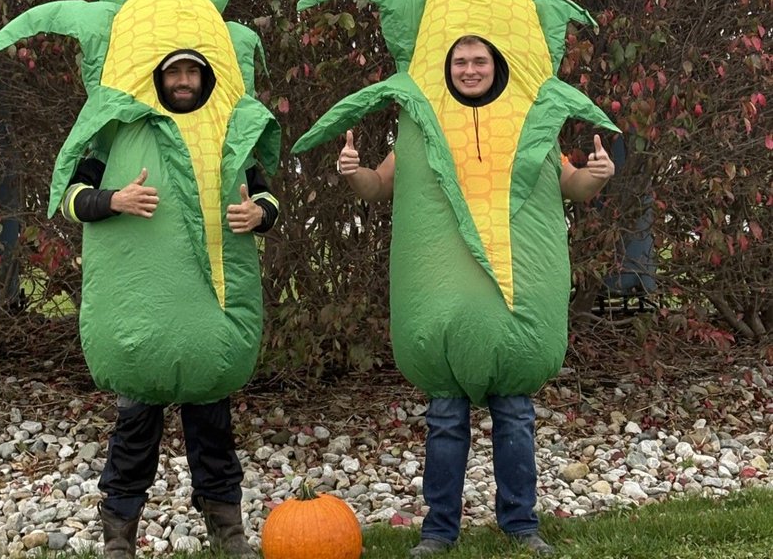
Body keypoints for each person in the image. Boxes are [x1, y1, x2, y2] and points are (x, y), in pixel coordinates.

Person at [336, 36, 614, 556]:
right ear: (448, 69)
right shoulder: (424, 127)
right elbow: (380, 186)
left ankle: (520, 523)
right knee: (445, 419)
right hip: (447, 309)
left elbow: (571, 185)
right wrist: (355, 173)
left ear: (496, 65)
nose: (469, 70)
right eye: (460, 61)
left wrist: (596, 177)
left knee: (514, 415)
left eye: (479, 61)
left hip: (511, 307)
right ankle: (439, 530)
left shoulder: (526, 123)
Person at [62, 51, 280, 558]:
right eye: (173, 72)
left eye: (192, 72)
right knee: (135, 431)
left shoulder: (225, 131)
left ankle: (227, 530)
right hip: (143, 316)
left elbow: (266, 198)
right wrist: (113, 200)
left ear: (204, 76)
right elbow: (72, 197)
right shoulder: (115, 133)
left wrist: (257, 214)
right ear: (158, 77)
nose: (183, 81)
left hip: (205, 316)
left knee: (213, 432)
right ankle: (118, 535)